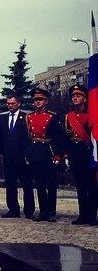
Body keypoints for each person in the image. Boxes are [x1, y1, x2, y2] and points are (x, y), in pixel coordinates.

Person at [26, 87, 63, 222]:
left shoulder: (52, 116)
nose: (37, 102)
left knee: (51, 184)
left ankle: (51, 211)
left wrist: (58, 154)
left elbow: (58, 137)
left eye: (40, 99)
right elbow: (27, 137)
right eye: (35, 100)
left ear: (46, 101)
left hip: (48, 151)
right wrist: (28, 153)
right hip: (35, 151)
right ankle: (43, 211)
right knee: (39, 184)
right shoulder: (29, 116)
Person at [64, 84, 97, 226]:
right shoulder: (68, 116)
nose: (75, 98)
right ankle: (82, 214)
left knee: (92, 187)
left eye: (78, 96)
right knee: (81, 187)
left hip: (88, 154)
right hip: (75, 155)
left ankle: (92, 216)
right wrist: (66, 155)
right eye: (73, 96)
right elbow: (66, 138)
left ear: (84, 98)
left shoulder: (91, 115)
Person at [0, 92, 34, 218]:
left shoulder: (26, 117)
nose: (10, 106)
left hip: (23, 157)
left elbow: (29, 138)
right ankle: (13, 209)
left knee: (27, 184)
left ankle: (29, 210)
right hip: (8, 157)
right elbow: (0, 138)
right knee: (10, 184)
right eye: (8, 104)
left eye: (13, 103)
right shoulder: (2, 118)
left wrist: (28, 154)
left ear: (19, 103)